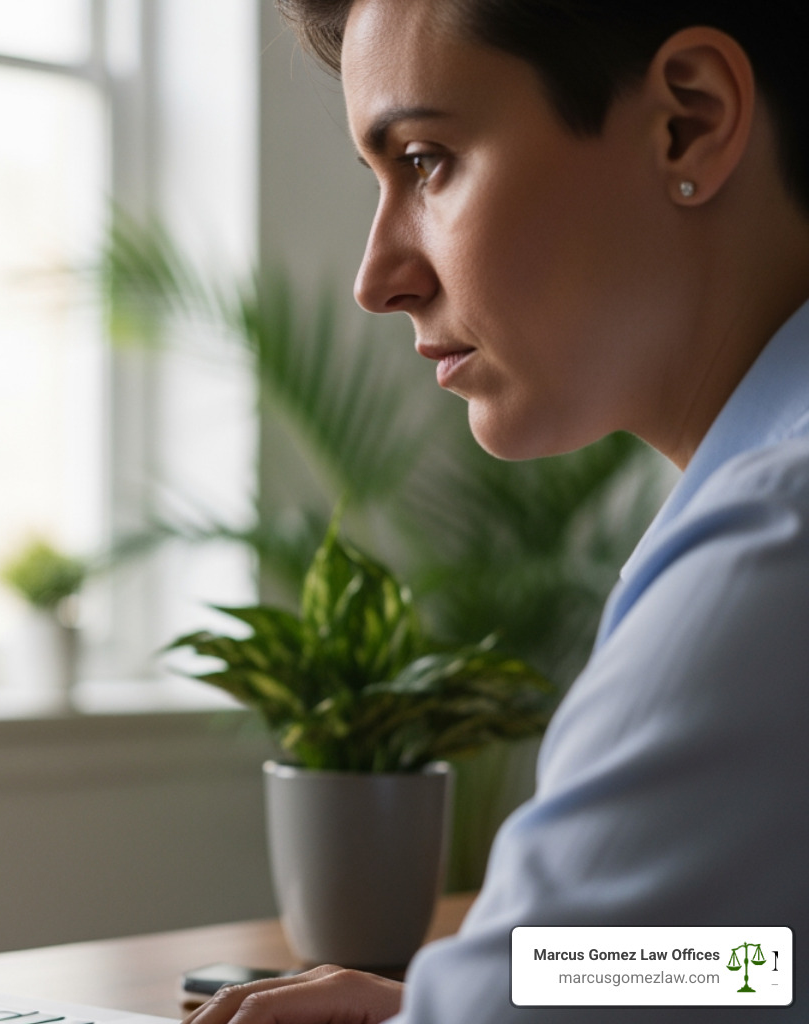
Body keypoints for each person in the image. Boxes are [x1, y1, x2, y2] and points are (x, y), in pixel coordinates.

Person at [185, 2, 809, 1022]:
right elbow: (756, 961)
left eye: (427, 162)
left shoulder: (777, 539)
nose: (376, 278)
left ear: (686, 123)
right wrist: (443, 1001)